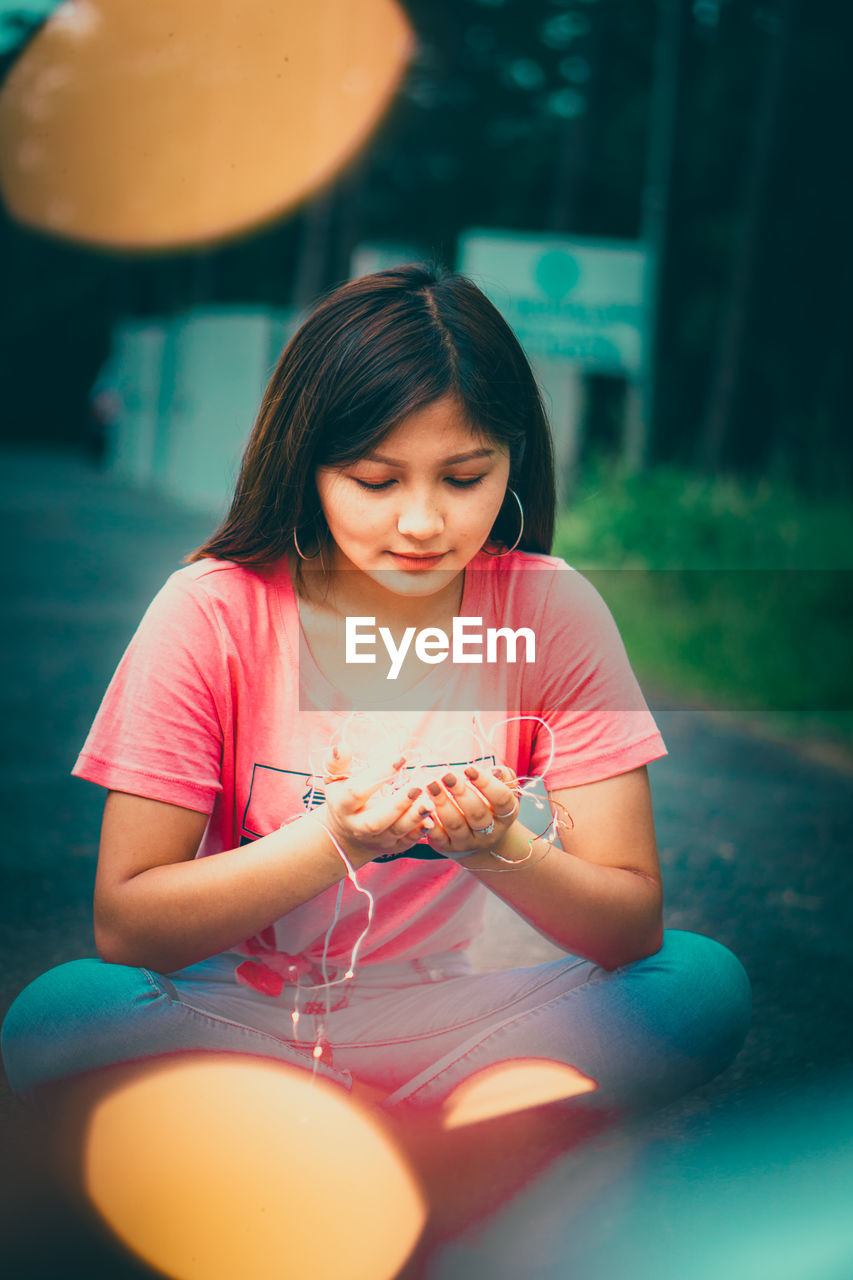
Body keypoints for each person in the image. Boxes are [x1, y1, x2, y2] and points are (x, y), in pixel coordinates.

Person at [1, 265, 750, 1254]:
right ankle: (416, 1148)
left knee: (698, 981)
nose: (420, 522)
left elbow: (630, 923)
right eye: (374, 478)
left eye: (464, 475)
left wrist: (499, 847)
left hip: (453, 1025)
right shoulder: (213, 610)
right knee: (62, 1014)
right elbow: (128, 922)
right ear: (306, 462)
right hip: (238, 1020)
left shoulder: (548, 608)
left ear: (512, 463)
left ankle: (340, 1146)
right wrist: (333, 839)